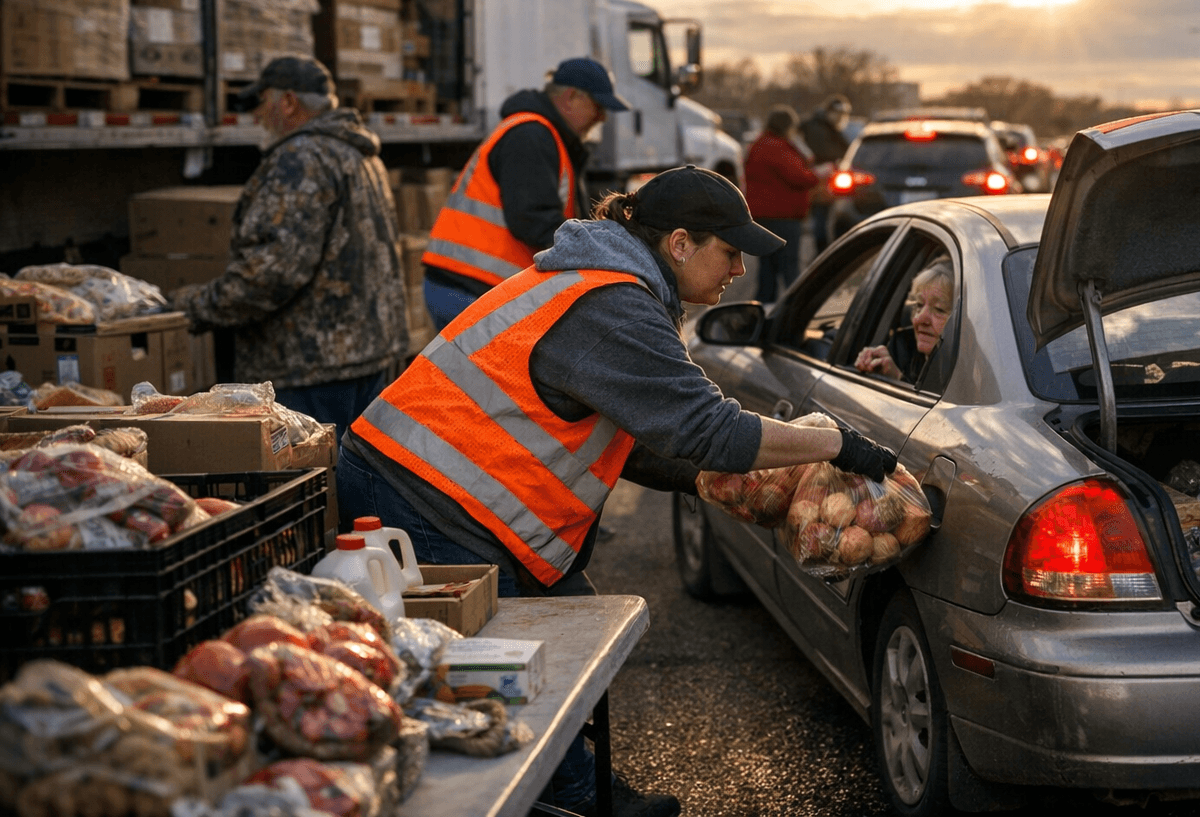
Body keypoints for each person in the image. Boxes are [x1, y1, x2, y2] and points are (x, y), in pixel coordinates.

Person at [336, 165, 896, 817]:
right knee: (503, 676)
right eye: (729, 251)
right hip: (420, 493)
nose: (740, 269)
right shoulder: (612, 303)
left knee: (568, 643)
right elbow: (709, 428)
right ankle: (582, 801)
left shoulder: (611, 286)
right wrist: (835, 444)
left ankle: (587, 790)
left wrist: (703, 481)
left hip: (445, 491)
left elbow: (640, 438)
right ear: (679, 244)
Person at [167, 56, 406, 431]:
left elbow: (271, 273)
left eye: (262, 102)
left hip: (310, 369)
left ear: (289, 102)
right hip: (367, 357)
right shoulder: (358, 153)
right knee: (350, 465)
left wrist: (192, 307)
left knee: (311, 465)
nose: (257, 114)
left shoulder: (300, 159)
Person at [420, 57, 631, 330]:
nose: (602, 118)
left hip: (471, 286)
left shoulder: (541, 134)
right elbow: (533, 219)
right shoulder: (531, 136)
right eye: (598, 107)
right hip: (469, 289)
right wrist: (596, 253)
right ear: (571, 98)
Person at [742, 104, 819, 303]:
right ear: (787, 126)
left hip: (763, 216)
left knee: (768, 268)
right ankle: (797, 307)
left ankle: (764, 308)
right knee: (789, 267)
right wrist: (818, 174)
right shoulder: (777, 147)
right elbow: (800, 177)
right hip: (783, 216)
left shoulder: (759, 145)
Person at [854, 259, 954, 384]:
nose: (919, 319)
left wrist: (898, 378)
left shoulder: (968, 371)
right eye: (919, 304)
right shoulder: (901, 348)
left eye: (939, 309)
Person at [798, 94, 853, 252]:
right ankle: (822, 253)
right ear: (830, 112)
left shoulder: (826, 127)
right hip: (819, 182)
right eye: (838, 114)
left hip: (826, 182)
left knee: (824, 220)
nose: (840, 119)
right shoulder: (818, 128)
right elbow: (829, 152)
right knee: (821, 221)